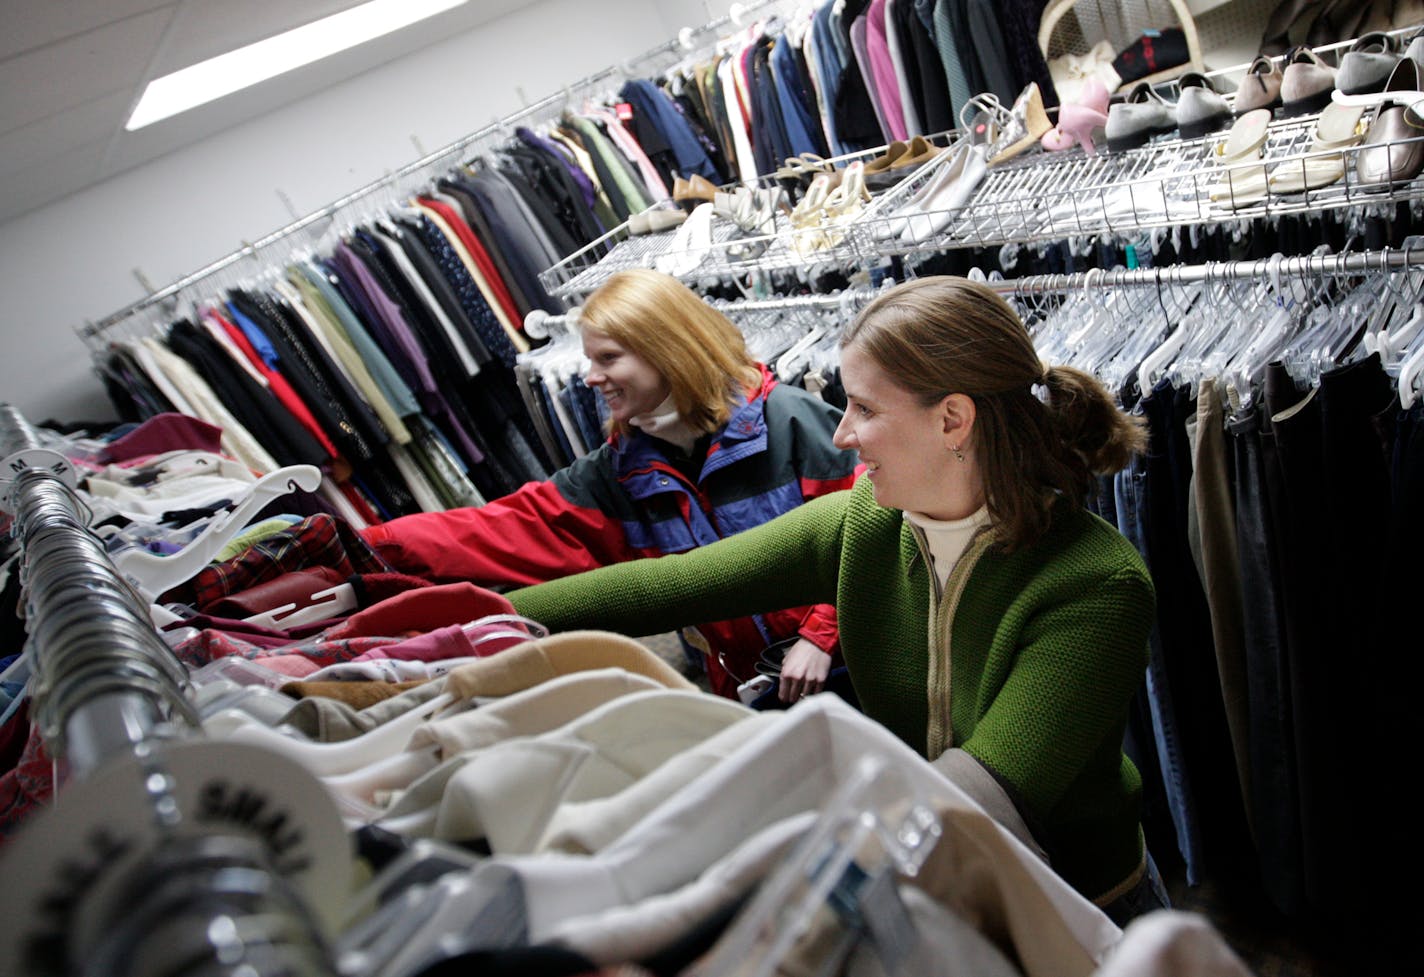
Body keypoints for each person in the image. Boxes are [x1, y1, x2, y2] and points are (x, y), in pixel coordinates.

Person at [505, 276, 1168, 922]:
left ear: (953, 419)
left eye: (866, 408)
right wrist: (481, 620)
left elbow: (980, 792)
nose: (843, 433)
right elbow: (664, 586)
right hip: (942, 890)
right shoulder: (868, 523)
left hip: (1081, 904)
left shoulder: (1094, 583)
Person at [361, 268, 859, 701]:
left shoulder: (791, 421)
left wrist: (821, 636)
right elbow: (499, 527)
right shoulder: (621, 472)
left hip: (853, 660)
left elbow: (878, 527)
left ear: (668, 353)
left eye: (608, 358)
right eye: (590, 359)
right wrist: (365, 546)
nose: (590, 377)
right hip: (753, 682)